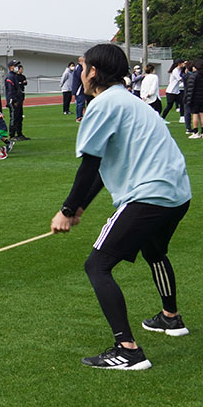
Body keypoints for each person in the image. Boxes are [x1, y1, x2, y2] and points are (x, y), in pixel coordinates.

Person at [51, 45, 192, 370]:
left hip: (150, 195)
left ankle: (127, 349)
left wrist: (68, 210)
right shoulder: (130, 101)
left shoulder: (103, 104)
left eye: (82, 68)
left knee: (97, 265)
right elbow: (104, 163)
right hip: (177, 194)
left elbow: (89, 163)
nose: (79, 74)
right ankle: (170, 318)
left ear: (94, 73)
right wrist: (83, 206)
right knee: (154, 250)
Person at [5, 60, 26, 140]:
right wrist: (14, 100)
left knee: (19, 117)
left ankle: (19, 134)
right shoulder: (10, 77)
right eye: (15, 65)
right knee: (14, 117)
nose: (17, 67)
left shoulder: (14, 76)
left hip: (18, 99)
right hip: (14, 101)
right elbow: (11, 90)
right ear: (11, 67)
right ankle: (12, 135)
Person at [184, 59, 203, 138]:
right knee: (202, 115)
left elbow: (190, 89)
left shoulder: (193, 76)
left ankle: (195, 132)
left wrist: (188, 100)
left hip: (195, 98)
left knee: (195, 115)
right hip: (202, 98)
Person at [72, 57, 85, 122]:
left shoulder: (78, 67)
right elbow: (81, 77)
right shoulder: (79, 68)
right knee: (80, 103)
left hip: (79, 88)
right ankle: (79, 117)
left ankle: (82, 116)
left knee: (81, 103)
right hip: (79, 88)